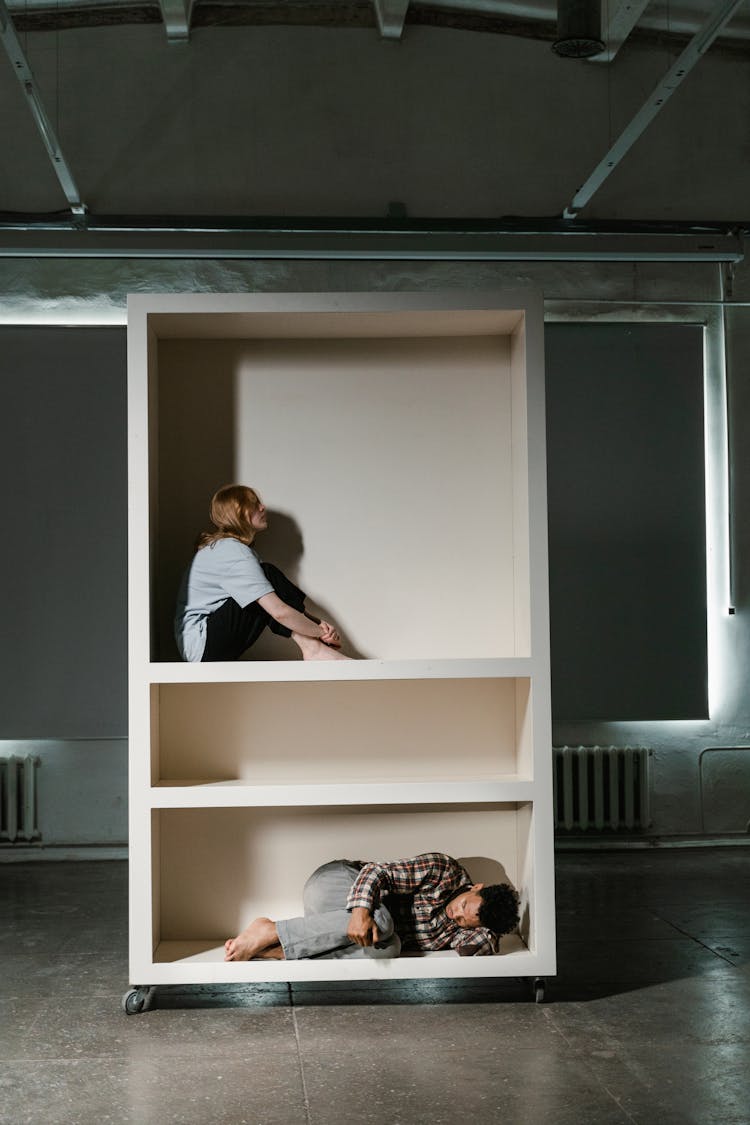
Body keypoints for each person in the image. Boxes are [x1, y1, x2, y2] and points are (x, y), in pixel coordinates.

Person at [224, 852, 520, 962]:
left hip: (328, 926)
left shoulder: (461, 931)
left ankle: (276, 950)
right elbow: (377, 873)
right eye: (464, 905)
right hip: (334, 884)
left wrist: (489, 930)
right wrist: (362, 912)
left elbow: (473, 948)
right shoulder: (444, 870)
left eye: (466, 921)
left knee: (389, 949)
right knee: (384, 923)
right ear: (476, 887)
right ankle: (272, 931)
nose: (456, 914)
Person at [175, 484, 350, 663]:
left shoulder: (225, 548)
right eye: (254, 503)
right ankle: (314, 649)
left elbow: (275, 604)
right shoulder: (232, 551)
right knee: (267, 575)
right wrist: (320, 633)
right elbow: (278, 611)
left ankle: (314, 648)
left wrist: (317, 624)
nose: (262, 507)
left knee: (265, 581)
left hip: (202, 647)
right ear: (238, 512)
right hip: (203, 644)